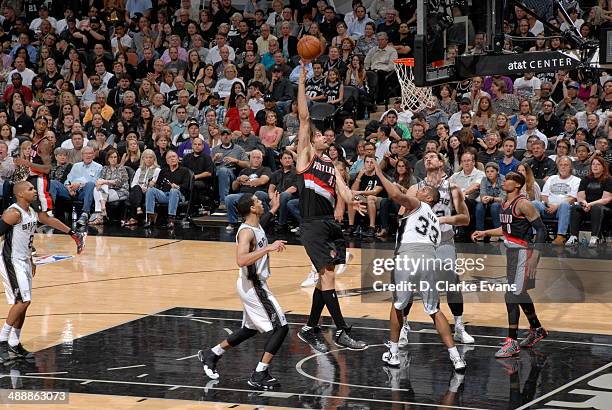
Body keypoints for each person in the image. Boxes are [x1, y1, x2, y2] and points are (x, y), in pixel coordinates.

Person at [296, 63, 367, 352]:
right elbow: (303, 118)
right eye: (318, 135)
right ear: (311, 141)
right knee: (327, 277)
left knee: (328, 277)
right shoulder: (306, 158)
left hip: (329, 224)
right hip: (312, 224)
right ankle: (341, 330)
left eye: (326, 135)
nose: (323, 136)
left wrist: (355, 201)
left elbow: (345, 193)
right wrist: (301, 83)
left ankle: (310, 327)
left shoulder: (332, 166)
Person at [373, 163, 467, 372]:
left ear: (429, 198)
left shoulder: (417, 204)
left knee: (397, 306)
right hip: (430, 261)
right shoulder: (434, 219)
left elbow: (396, 196)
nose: (418, 189)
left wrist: (379, 172)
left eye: (423, 190)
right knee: (434, 310)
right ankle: (456, 357)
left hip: (409, 257)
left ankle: (394, 353)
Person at [198, 192, 288, 389]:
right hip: (254, 286)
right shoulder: (246, 232)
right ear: (252, 209)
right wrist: (268, 249)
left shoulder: (256, 225)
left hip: (251, 284)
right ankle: (259, 373)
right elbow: (241, 260)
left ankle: (212, 353)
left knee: (250, 329)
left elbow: (263, 221)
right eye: (257, 201)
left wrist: (274, 207)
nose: (260, 202)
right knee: (281, 328)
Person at [401, 152, 474, 345]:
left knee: (452, 283)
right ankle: (404, 327)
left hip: (444, 242)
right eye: (426, 157)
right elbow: (401, 216)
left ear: (441, 163)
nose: (428, 159)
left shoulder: (453, 187)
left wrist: (441, 219)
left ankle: (458, 326)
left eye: (432, 156)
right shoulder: (415, 188)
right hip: (419, 244)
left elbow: (465, 219)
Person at [472, 172, 548, 358]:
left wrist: (534, 257)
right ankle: (537, 329)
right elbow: (505, 230)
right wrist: (485, 232)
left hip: (524, 252)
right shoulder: (505, 204)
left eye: (507, 180)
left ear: (517, 185)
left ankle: (511, 341)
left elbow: (541, 230)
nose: (503, 182)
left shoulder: (523, 203)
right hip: (512, 253)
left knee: (511, 295)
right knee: (519, 293)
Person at [22, 120, 85, 253]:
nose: (40, 125)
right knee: (32, 214)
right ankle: (75, 235)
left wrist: (26, 163)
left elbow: (46, 169)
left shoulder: (44, 144)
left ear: (47, 127)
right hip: (32, 180)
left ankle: (29, 243)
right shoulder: (34, 140)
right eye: (38, 122)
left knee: (40, 216)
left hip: (40, 181)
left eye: (43, 124)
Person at [0, 181, 39, 362]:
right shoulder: (13, 213)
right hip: (11, 260)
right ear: (20, 194)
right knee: (22, 301)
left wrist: (32, 259)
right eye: (30, 189)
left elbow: (27, 240)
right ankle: (2, 341)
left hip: (24, 260)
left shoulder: (31, 212)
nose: (35, 190)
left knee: (25, 303)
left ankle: (14, 343)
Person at [533, 156, 580, 245]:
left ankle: (560, 236)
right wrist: (548, 204)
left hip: (562, 210)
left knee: (565, 204)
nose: (563, 167)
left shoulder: (576, 180)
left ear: (571, 167)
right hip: (548, 207)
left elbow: (572, 198)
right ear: (558, 167)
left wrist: (556, 206)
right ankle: (536, 234)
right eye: (561, 165)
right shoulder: (551, 178)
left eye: (566, 165)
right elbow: (544, 195)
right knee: (534, 203)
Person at [566, 156, 612, 247]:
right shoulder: (586, 179)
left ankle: (594, 237)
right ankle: (573, 236)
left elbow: (606, 199)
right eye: (593, 164)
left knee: (596, 207)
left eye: (598, 164)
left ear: (603, 167)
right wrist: (584, 203)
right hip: (587, 206)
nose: (595, 166)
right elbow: (580, 196)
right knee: (575, 207)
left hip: (604, 209)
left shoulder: (609, 180)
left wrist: (590, 204)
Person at [144, 151, 192, 229]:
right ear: (167, 161)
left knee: (173, 190)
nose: (172, 159)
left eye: (174, 156)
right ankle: (150, 219)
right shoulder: (163, 171)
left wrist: (177, 186)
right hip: (164, 195)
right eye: (169, 157)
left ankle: (171, 220)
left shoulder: (185, 171)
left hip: (179, 195)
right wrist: (153, 183)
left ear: (178, 159)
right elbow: (158, 185)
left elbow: (186, 186)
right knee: (150, 190)